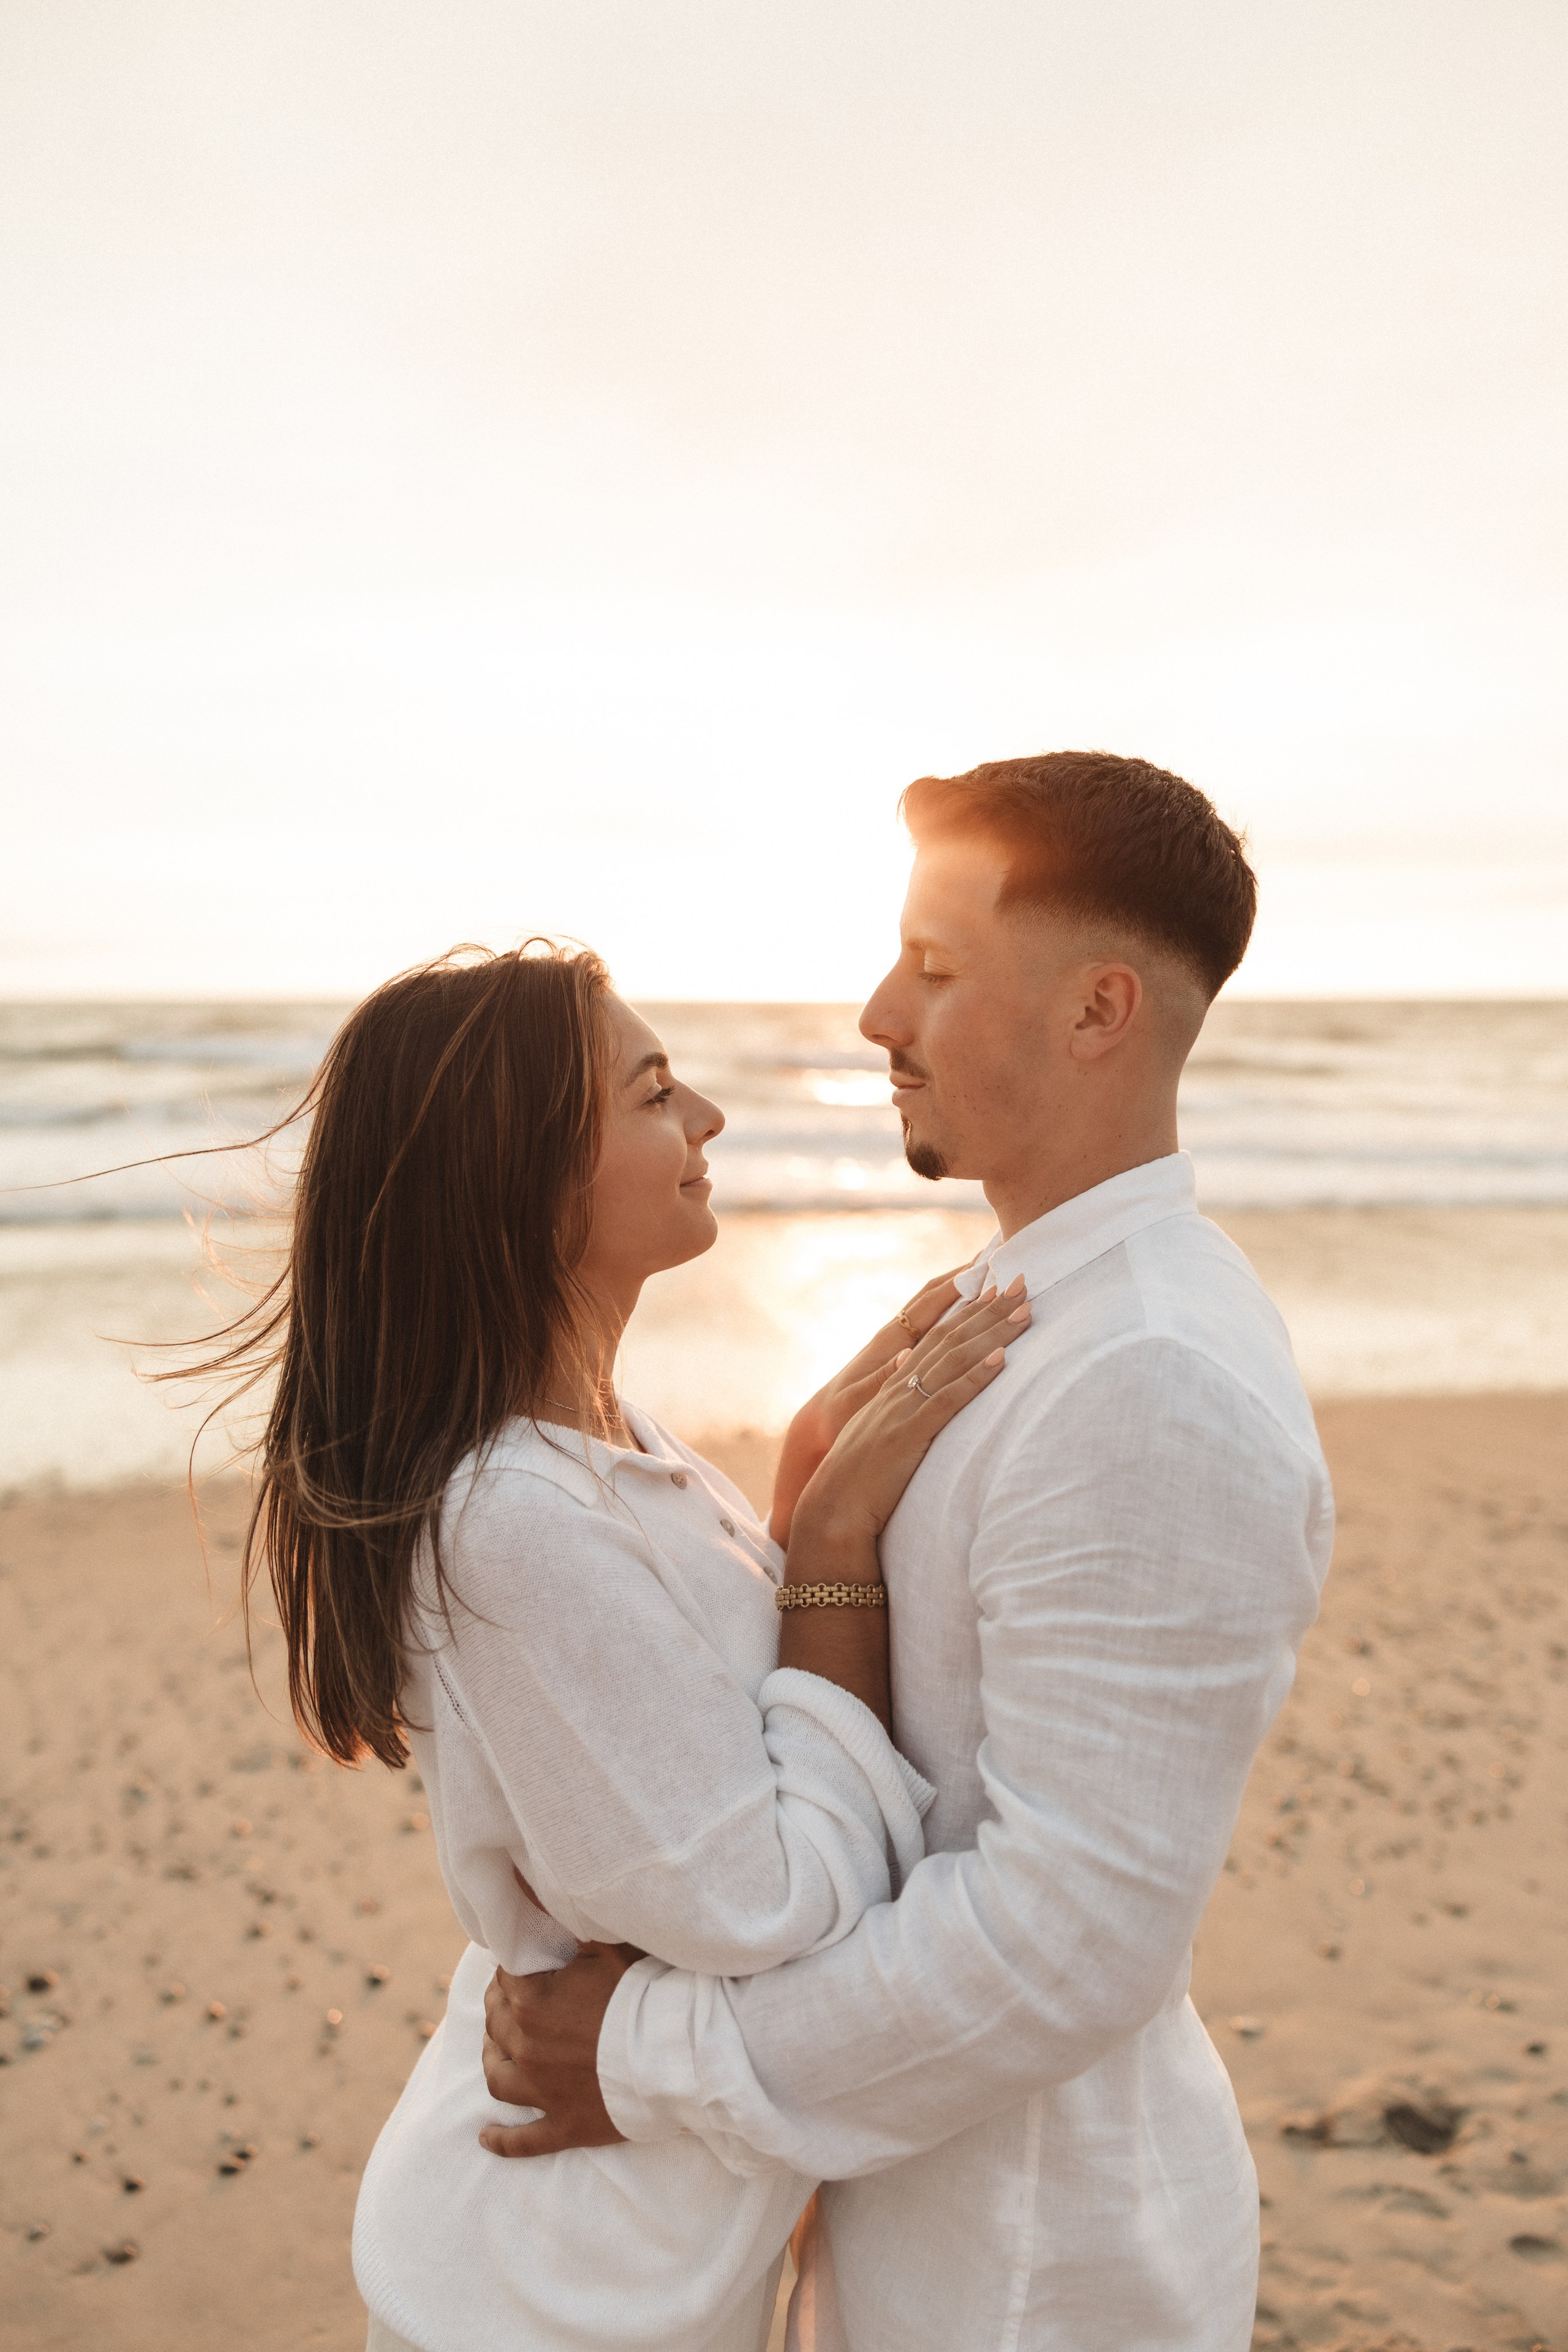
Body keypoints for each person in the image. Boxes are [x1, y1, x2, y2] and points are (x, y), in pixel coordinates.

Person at [479, 753, 1336, 2352]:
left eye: (933, 971)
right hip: (920, 2216)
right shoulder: (1034, 1312)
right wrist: (817, 1513)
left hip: (1031, 2273)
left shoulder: (1153, 1378)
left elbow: (1065, 1937)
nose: (877, 1014)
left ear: (1098, 1012)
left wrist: (645, 2059)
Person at [183, 938, 1031, 2352]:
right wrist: (824, 1548)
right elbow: (767, 1906)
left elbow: (700, 1712)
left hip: (632, 2247)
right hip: (549, 2287)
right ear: (523, 1176)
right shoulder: (510, 1514)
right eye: (651, 1094)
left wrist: (800, 1481)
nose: (705, 1119)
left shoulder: (609, 1447)